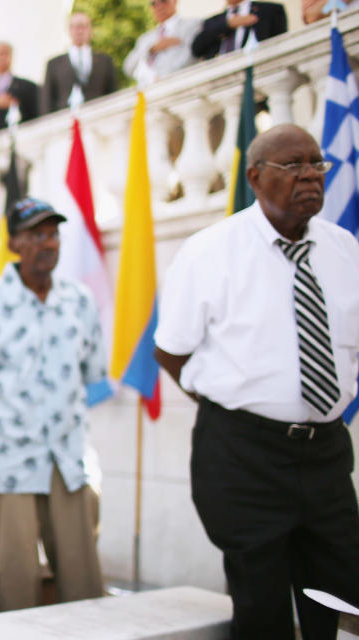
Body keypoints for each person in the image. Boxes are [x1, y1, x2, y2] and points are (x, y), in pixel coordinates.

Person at [154, 124, 359, 640]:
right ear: (255, 176)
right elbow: (170, 350)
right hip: (245, 456)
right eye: (294, 165)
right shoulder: (210, 252)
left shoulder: (345, 250)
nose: (311, 173)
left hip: (325, 455)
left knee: (338, 600)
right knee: (261, 607)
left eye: (317, 163)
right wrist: (235, 402)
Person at [0, 197, 106, 611]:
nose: (48, 243)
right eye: (37, 234)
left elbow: (92, 373)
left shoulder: (80, 302)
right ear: (15, 243)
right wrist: (4, 427)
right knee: (17, 586)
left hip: (68, 461)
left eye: (54, 234)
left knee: (83, 585)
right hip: (7, 463)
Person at [41, 12, 117, 114]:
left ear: (90, 30)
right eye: (76, 27)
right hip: (64, 121)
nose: (80, 31)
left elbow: (112, 94)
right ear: (69, 30)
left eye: (84, 26)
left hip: (97, 117)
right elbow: (47, 100)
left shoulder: (105, 61)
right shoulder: (54, 64)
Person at [123, 0, 201, 87]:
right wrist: (151, 49)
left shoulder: (192, 25)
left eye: (163, 1)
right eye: (153, 4)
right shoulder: (145, 39)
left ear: (174, 1)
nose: (158, 6)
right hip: (150, 93)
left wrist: (162, 79)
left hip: (182, 86)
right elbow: (128, 68)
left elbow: (191, 57)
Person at [192, 0, 287, 60]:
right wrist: (227, 25)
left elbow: (281, 44)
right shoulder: (213, 21)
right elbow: (197, 49)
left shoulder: (270, 10)